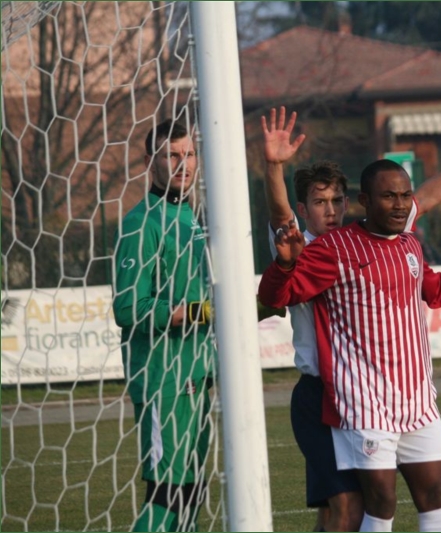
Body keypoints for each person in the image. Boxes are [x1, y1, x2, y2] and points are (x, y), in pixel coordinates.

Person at [259, 159, 441, 532]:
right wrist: (273, 167)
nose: (400, 204)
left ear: (349, 203)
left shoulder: (407, 243)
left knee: (428, 495)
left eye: (404, 196)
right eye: (320, 202)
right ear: (366, 201)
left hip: (414, 398)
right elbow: (277, 288)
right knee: (360, 507)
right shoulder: (320, 248)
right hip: (352, 397)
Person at [113, 120, 214, 532]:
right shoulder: (142, 223)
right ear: (148, 162)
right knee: (166, 493)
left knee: (191, 493)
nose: (182, 164)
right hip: (162, 382)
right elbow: (128, 308)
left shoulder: (192, 218)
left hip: (197, 376)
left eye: (188, 154)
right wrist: (201, 312)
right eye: (171, 155)